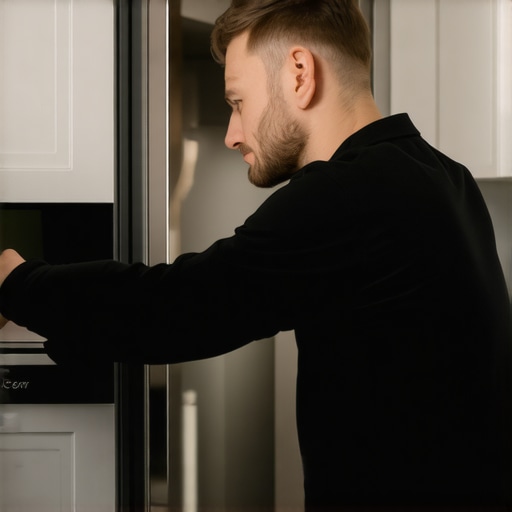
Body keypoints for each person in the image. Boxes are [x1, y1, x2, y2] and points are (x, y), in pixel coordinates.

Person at [1, 0, 511, 509]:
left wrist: (18, 282)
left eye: (237, 102)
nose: (231, 133)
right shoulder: (446, 177)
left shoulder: (349, 193)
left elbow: (177, 305)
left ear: (298, 74)